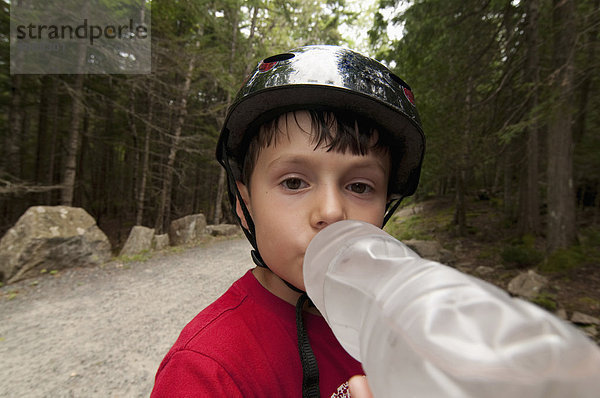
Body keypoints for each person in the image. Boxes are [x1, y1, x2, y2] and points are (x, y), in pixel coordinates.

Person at [151, 45, 425, 397]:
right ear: (244, 202)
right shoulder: (206, 371)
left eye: (359, 186)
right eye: (294, 182)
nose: (331, 212)